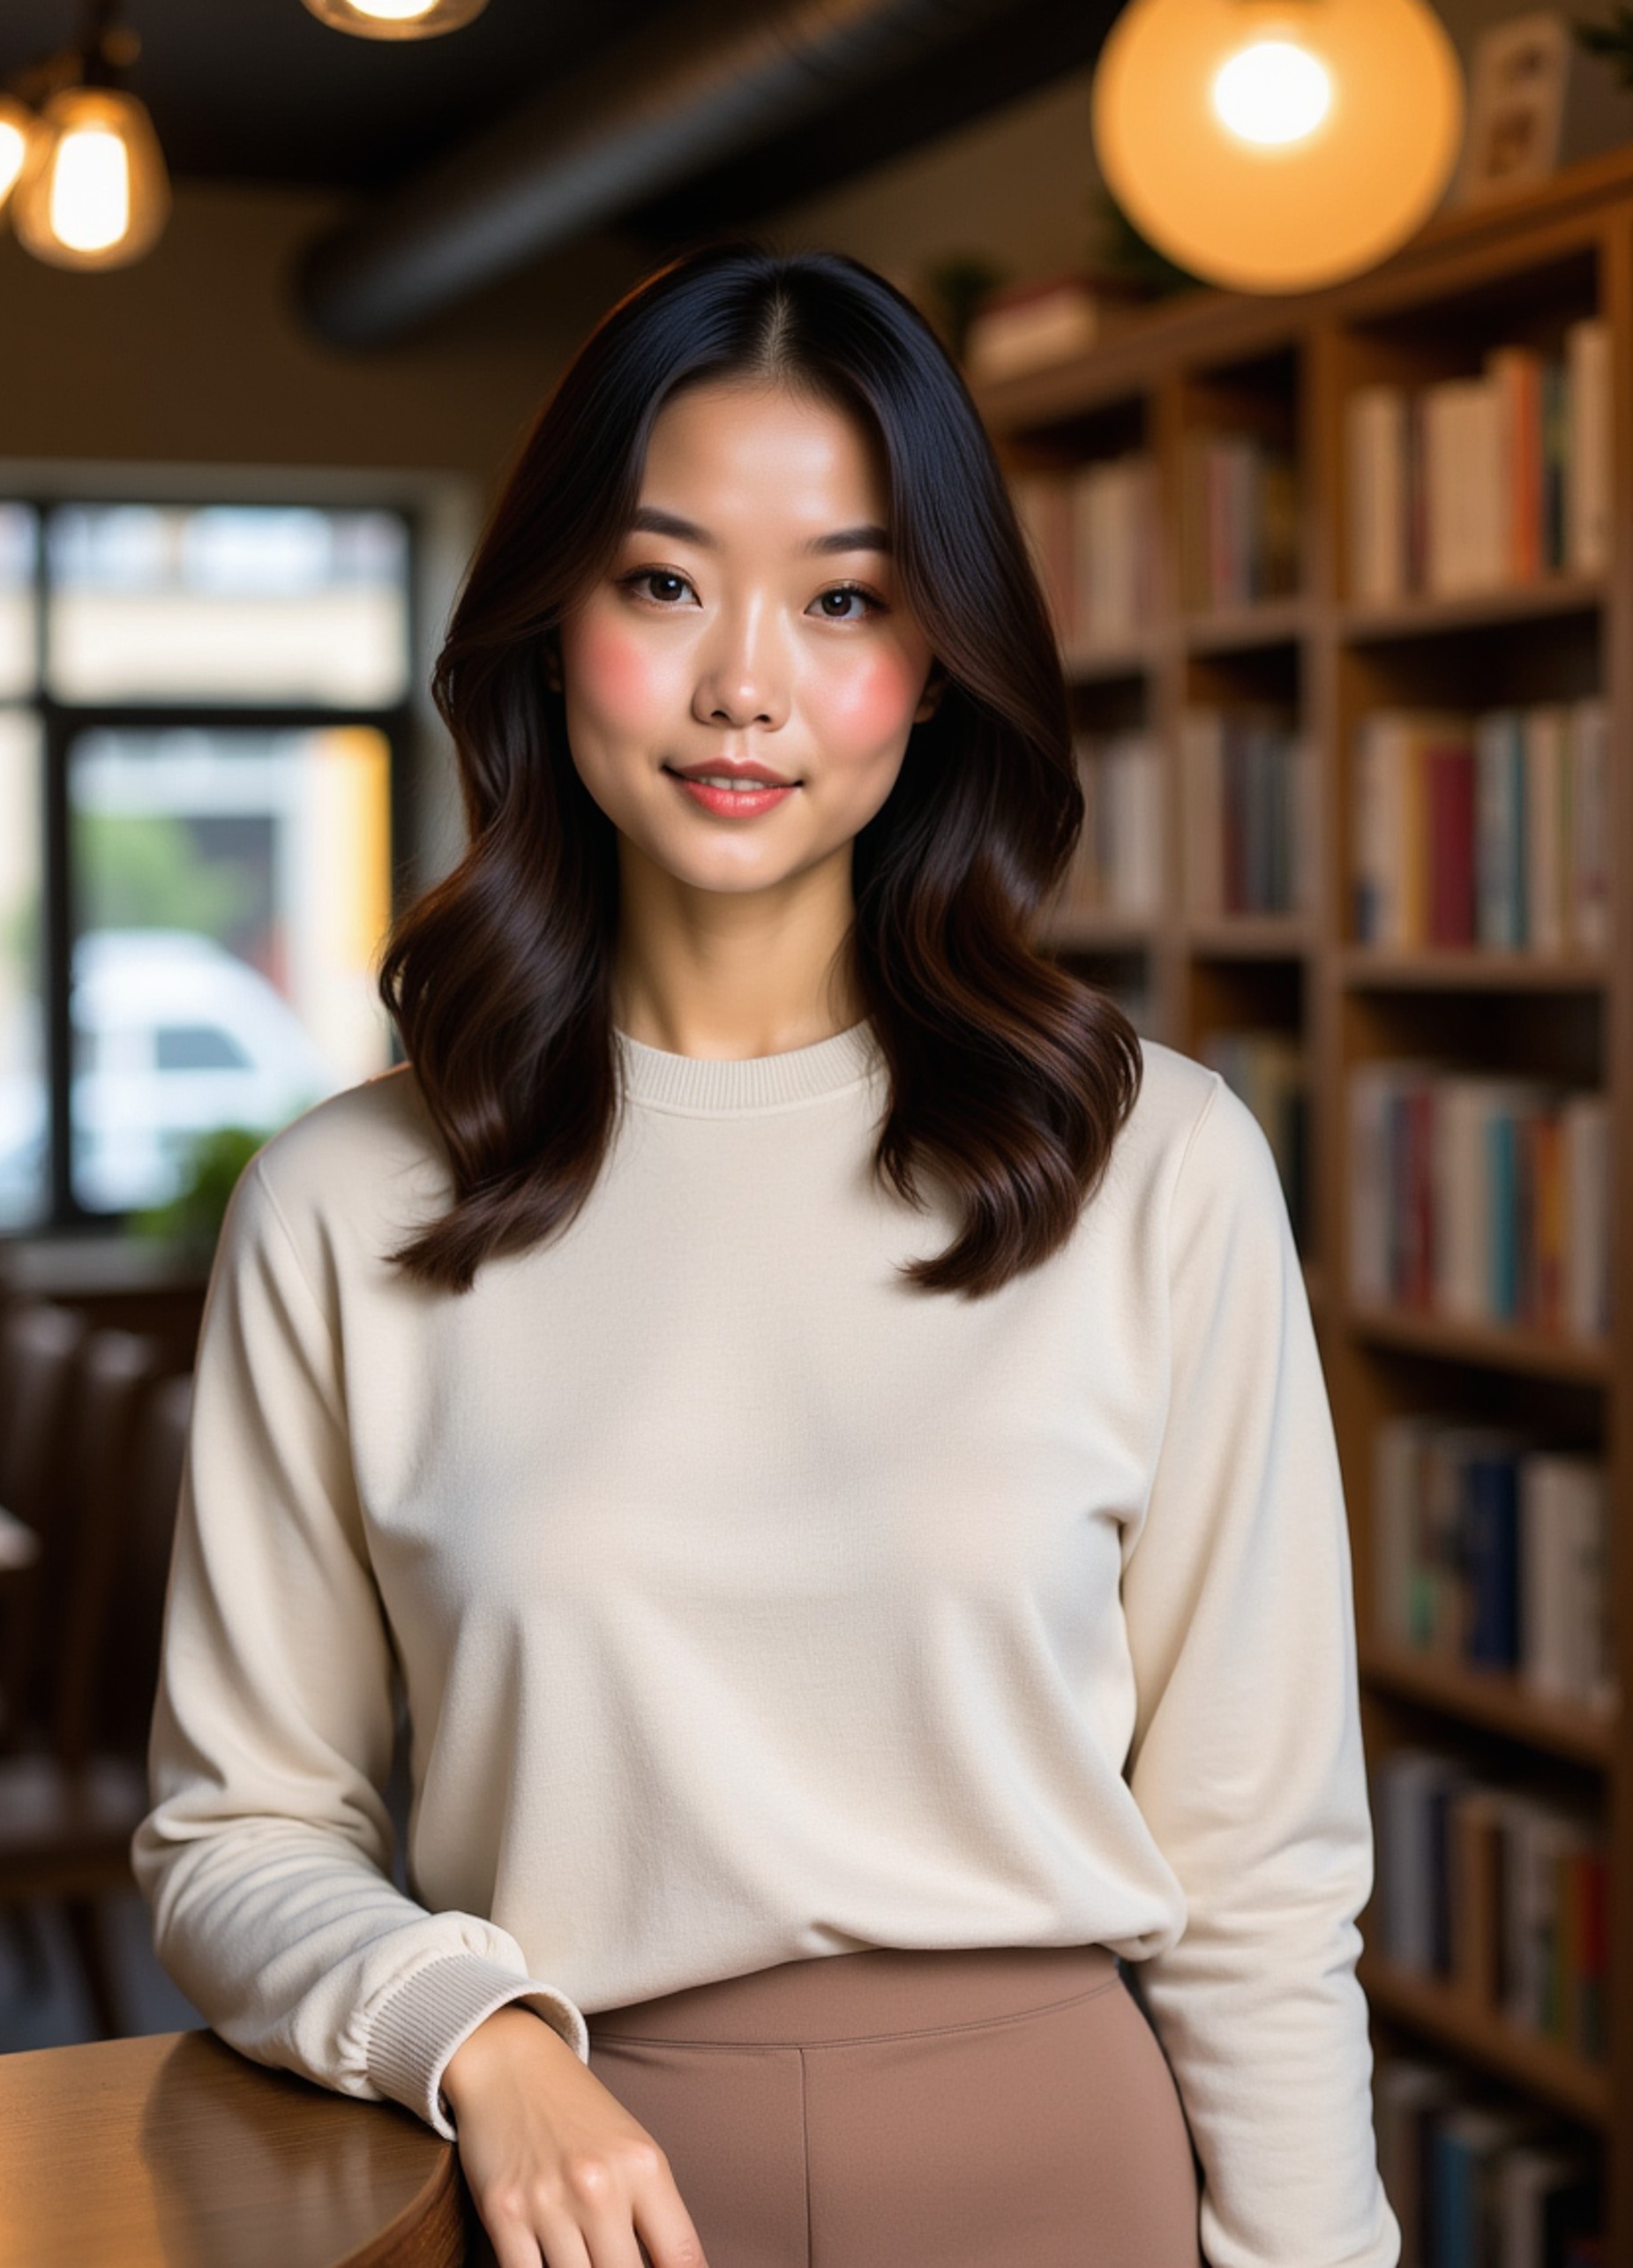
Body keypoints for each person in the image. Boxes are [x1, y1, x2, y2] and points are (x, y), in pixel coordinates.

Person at [133, 241, 1398, 2268]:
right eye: (662, 581)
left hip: (1057, 2177)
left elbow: (1261, 1870)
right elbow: (237, 1832)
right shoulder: (345, 1204)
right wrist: (480, 2039)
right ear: (551, 624)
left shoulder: (1151, 1159)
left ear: (940, 655)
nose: (746, 680)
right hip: (562, 2199)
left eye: (841, 597)